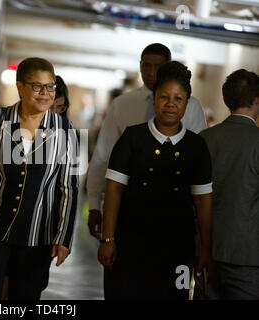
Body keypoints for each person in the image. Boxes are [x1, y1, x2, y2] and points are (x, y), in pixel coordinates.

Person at [86, 43, 207, 298]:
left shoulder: (196, 137)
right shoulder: (128, 124)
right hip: (131, 227)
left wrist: (205, 247)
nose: (171, 105)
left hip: (178, 234)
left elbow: (202, 196)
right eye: (164, 98)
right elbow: (106, 167)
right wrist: (97, 211)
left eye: (178, 99)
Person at [0, 57, 79, 300]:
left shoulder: (66, 132)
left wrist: (64, 237)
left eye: (50, 86)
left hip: (38, 237)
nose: (45, 93)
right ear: (20, 87)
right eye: (37, 86)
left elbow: (68, 188)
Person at [199, 69, 259, 300]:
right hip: (248, 256)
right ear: (256, 101)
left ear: (226, 100)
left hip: (205, 251)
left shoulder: (204, 139)